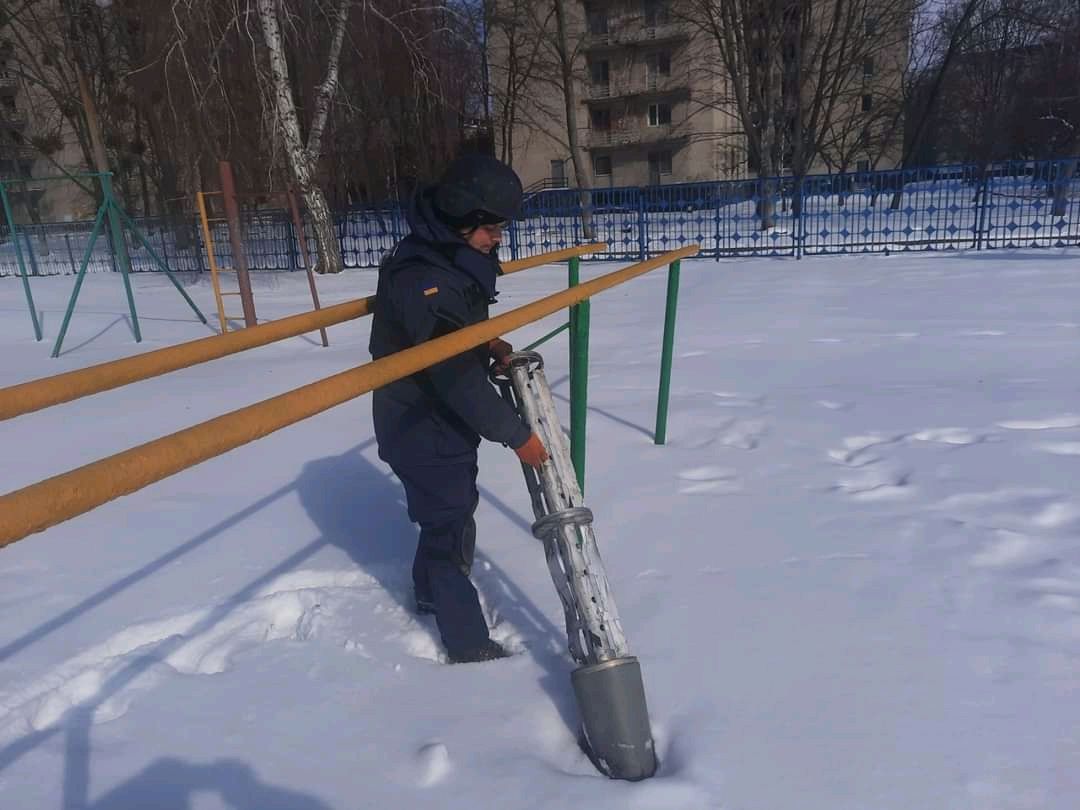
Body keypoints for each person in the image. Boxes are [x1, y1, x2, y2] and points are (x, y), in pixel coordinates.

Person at [368, 154, 549, 664]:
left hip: (432, 420)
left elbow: (455, 329)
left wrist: (485, 340)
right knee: (449, 526)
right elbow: (452, 374)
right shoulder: (424, 278)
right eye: (491, 229)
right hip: (420, 422)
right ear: (461, 220)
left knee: (446, 515)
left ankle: (428, 594)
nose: (497, 240)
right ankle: (468, 643)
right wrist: (516, 435)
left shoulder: (441, 256)